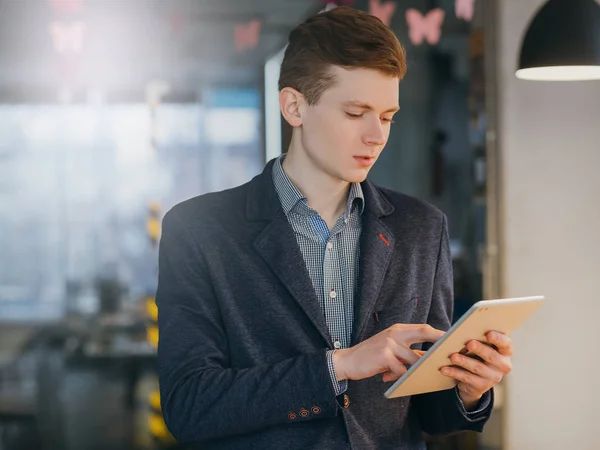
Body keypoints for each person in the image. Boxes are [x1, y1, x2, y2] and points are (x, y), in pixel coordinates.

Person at [156, 6, 513, 449]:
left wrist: (469, 389)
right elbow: (190, 406)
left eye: (387, 116)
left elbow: (430, 415)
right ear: (294, 106)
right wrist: (338, 366)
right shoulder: (199, 230)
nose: (377, 136)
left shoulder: (422, 228)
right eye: (355, 113)